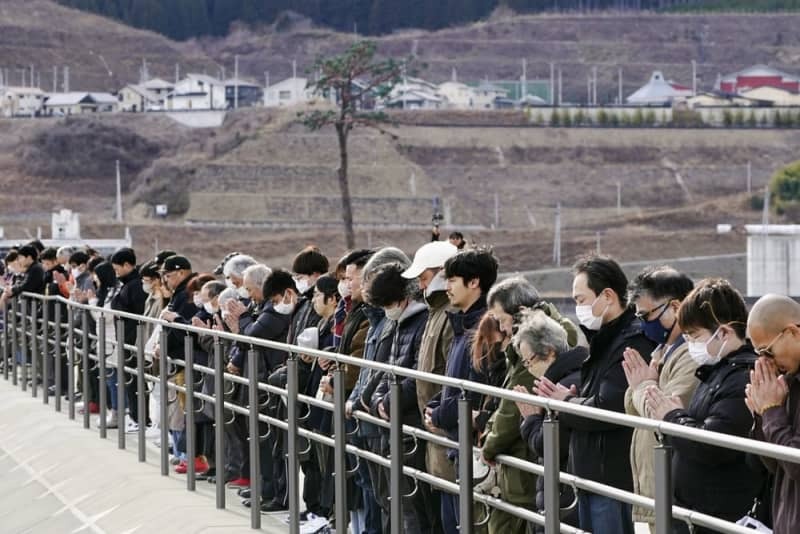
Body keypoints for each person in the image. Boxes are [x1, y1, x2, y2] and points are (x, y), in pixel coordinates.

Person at [535, 254, 656, 534]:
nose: (578, 308)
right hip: (593, 474)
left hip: (612, 478)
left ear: (608, 296)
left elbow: (608, 408)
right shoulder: (604, 339)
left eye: (580, 299)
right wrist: (574, 399)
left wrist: (566, 401)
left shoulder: (631, 342)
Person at [644, 278, 764, 534]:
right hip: (696, 514)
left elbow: (713, 444)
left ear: (724, 332)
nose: (690, 346)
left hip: (717, 517)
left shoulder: (743, 377)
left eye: (695, 336)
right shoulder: (717, 371)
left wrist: (672, 417)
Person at [481, 276, 577, 534]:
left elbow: (514, 404)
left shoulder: (538, 343)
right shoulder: (529, 340)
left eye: (502, 320)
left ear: (519, 312)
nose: (501, 328)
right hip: (527, 455)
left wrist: (490, 444)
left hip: (526, 458)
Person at [425, 247, 499, 533]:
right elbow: (451, 382)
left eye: (452, 280)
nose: (447, 287)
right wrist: (433, 407)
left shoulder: (483, 330)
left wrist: (439, 414)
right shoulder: (463, 326)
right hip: (457, 443)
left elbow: (475, 389)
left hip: (472, 445)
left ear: (474, 282)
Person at [622, 266, 698, 529]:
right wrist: (643, 386)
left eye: (648, 315)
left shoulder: (691, 354)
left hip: (674, 493)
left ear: (675, 307)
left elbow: (661, 411)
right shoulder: (662, 351)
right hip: (656, 490)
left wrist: (642, 385)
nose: (644, 324)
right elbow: (634, 408)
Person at [367, 262, 432, 533]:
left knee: (412, 505)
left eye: (387, 304)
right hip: (391, 421)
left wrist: (387, 401)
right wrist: (377, 400)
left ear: (402, 298)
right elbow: (386, 371)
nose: (386, 311)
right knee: (394, 500)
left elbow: (417, 373)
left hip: (409, 425)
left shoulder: (419, 321)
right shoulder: (399, 322)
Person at [402, 240, 458, 528]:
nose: (421, 286)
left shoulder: (449, 314)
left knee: (452, 519)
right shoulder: (435, 312)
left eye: (424, 278)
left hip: (445, 431)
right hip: (434, 433)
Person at [514, 311, 586, 533]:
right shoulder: (573, 376)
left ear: (549, 352)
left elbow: (550, 445)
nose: (528, 369)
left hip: (564, 495)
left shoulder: (561, 389)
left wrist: (531, 420)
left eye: (530, 361)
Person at [747, 294, 800, 534]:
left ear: (792, 332)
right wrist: (761, 416)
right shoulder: (787, 382)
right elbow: (773, 464)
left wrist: (771, 411)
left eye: (767, 351)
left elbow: (796, 464)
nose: (765, 362)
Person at [110, 247, 148, 430]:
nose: (116, 273)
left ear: (127, 265)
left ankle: (140, 418)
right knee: (130, 379)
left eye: (118, 269)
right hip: (126, 337)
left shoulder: (135, 285)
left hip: (133, 338)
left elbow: (137, 313)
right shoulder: (127, 283)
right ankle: (135, 416)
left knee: (135, 380)